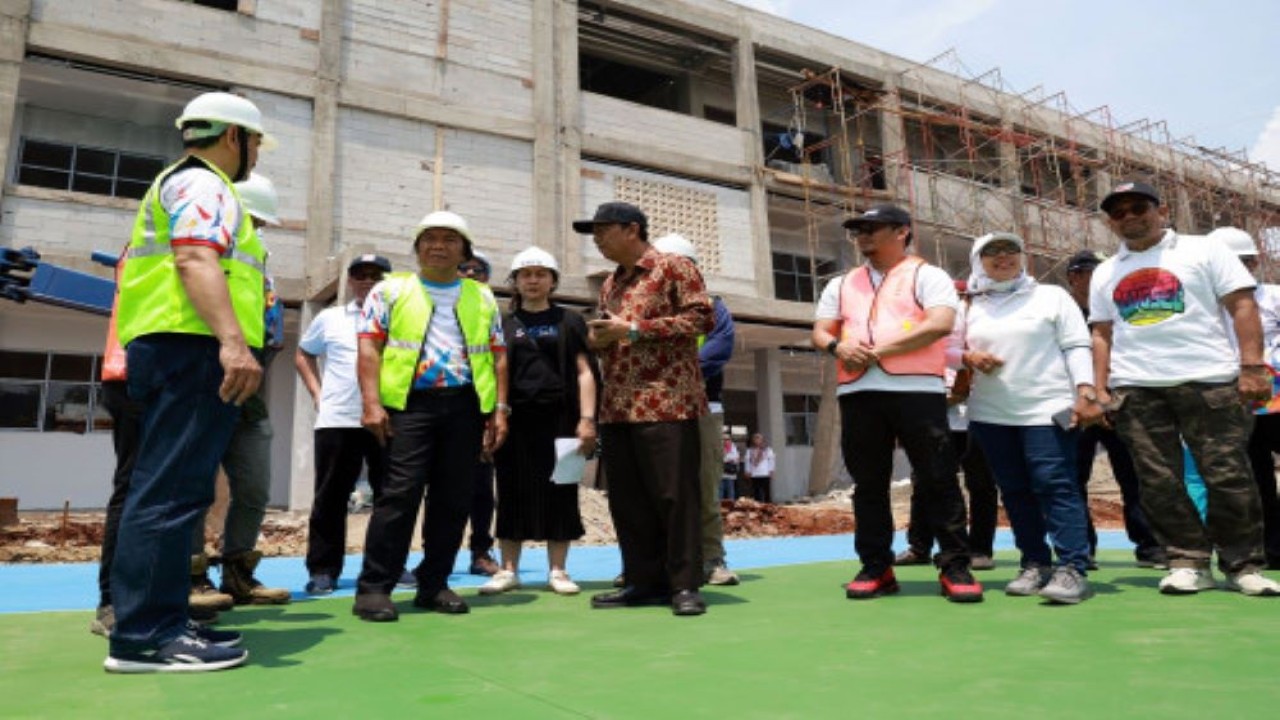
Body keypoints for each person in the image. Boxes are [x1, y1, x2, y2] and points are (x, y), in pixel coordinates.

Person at [105, 92, 272, 673]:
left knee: (174, 490)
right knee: (171, 493)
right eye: (255, 143)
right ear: (234, 137)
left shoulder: (178, 182)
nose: (255, 154)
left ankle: (162, 619)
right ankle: (145, 637)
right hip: (191, 348)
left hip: (175, 347)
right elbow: (195, 259)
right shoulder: (205, 185)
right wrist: (233, 342)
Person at [1090, 181, 1279, 596]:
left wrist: (1251, 367)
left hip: (1209, 379)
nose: (1129, 216)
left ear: (1162, 211)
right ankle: (1187, 560)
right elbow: (1101, 333)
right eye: (1119, 212)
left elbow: (1242, 305)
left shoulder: (1204, 250)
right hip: (1136, 386)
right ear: (1110, 223)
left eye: (1139, 207)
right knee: (1157, 480)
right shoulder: (1106, 271)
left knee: (1228, 474)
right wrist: (1100, 390)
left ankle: (1243, 564)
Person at [811, 203, 982, 603]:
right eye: (858, 230)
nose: (863, 236)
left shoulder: (928, 275)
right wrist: (838, 347)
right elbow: (820, 332)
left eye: (873, 228)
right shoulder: (841, 284)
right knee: (868, 484)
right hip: (858, 393)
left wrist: (878, 351)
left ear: (902, 231)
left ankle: (955, 565)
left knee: (938, 477)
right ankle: (876, 566)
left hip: (917, 390)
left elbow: (940, 324)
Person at [351, 210, 508, 622]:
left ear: (465, 251)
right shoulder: (389, 290)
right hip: (408, 407)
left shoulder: (483, 297)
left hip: (465, 407)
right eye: (430, 239)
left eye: (449, 239)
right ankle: (374, 588)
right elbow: (369, 348)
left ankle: (434, 583)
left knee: (453, 498)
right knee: (399, 495)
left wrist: (499, 410)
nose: (438, 246)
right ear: (417, 248)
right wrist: (371, 403)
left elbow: (497, 356)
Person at [576, 201, 715, 617]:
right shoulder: (610, 283)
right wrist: (600, 339)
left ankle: (684, 585)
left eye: (602, 231)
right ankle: (642, 581)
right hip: (619, 405)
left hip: (667, 401)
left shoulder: (674, 267)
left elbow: (701, 319)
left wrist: (634, 329)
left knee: (675, 497)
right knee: (628, 501)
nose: (597, 240)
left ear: (631, 229)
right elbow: (612, 335)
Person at [958, 232, 1101, 604]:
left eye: (1011, 250)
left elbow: (1076, 344)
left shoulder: (1052, 296)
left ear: (1023, 257)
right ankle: (1035, 562)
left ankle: (1072, 567)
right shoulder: (968, 304)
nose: (1003, 257)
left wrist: (1086, 391)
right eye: (991, 252)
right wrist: (967, 357)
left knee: (1055, 484)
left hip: (1047, 408)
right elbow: (948, 349)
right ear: (977, 260)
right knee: (1015, 490)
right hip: (991, 413)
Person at [189, 173, 291, 608]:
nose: (258, 229)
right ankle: (192, 576)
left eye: (261, 223)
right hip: (204, 384)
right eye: (254, 220)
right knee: (195, 487)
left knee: (254, 489)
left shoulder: (257, 262)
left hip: (248, 396)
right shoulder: (202, 253)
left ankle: (239, 573)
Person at [479, 247, 597, 597]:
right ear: (515, 281)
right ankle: (508, 570)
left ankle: (558, 570)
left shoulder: (570, 321)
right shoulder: (502, 323)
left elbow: (585, 372)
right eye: (525, 274)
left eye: (541, 274)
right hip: (513, 422)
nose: (533, 280)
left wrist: (587, 419)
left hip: (563, 420)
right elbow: (490, 373)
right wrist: (491, 418)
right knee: (511, 491)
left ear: (553, 281)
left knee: (562, 491)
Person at [1064, 248, 1166, 569]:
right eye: (1088, 272)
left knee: (1135, 475)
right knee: (1071, 477)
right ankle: (1082, 548)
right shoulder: (1061, 310)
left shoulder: (1120, 308)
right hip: (1073, 404)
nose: (1096, 278)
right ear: (1073, 277)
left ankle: (1150, 545)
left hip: (1119, 402)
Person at [296, 253, 392, 595]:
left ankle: (388, 566)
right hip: (338, 419)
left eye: (375, 275)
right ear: (349, 281)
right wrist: (317, 393)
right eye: (360, 275)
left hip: (387, 419)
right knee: (330, 496)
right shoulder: (330, 318)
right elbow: (303, 353)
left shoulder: (400, 319)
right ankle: (323, 569)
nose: (367, 281)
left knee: (391, 496)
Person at [652, 233, 740, 585]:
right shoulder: (642, 308)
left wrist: (665, 375)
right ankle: (651, 565)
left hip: (703, 406)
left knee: (704, 486)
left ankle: (711, 560)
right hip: (653, 410)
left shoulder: (713, 307)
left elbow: (717, 351)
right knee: (656, 490)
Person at [1208, 227, 1280, 569]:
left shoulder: (1274, 297)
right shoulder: (1206, 306)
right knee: (1253, 475)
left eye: (1244, 262)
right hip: (1230, 400)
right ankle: (1271, 548)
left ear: (1255, 263)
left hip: (1276, 394)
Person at [896, 356, 999, 571]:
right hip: (937, 423)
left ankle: (980, 550)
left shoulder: (979, 342)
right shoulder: (931, 344)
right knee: (924, 483)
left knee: (982, 484)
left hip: (979, 420)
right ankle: (919, 547)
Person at [455, 251, 502, 578]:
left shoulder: (492, 312)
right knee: (440, 491)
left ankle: (481, 552)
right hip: (440, 409)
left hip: (479, 412)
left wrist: (494, 416)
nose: (471, 274)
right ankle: (435, 557)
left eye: (478, 270)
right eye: (464, 268)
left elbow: (499, 366)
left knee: (481, 490)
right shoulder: (437, 308)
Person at [744, 433, 775, 504]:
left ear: (762, 440)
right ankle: (757, 506)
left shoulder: (767, 450)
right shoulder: (750, 450)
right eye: (756, 438)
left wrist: (771, 470)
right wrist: (747, 471)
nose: (757, 440)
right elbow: (747, 461)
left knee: (766, 491)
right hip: (754, 474)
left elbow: (771, 460)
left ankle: (768, 505)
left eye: (759, 438)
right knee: (756, 492)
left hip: (765, 473)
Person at [721, 433, 740, 501]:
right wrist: (729, 459)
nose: (725, 441)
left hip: (730, 474)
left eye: (727, 439)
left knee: (730, 493)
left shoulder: (734, 448)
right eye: (723, 439)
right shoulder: (719, 448)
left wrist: (726, 459)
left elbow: (736, 459)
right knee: (720, 493)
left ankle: (731, 506)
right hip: (721, 474)